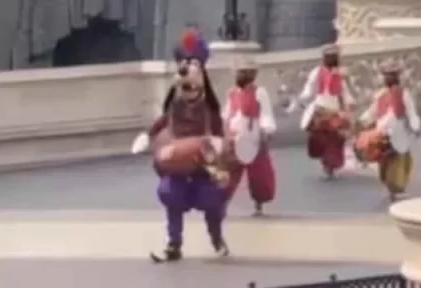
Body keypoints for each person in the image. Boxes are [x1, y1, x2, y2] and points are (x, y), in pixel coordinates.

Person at [130, 29, 229, 261]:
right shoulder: (174, 105)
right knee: (171, 194)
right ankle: (174, 243)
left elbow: (220, 134)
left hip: (204, 167)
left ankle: (216, 238)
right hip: (178, 164)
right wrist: (148, 136)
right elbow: (162, 121)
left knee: (212, 201)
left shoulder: (209, 110)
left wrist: (221, 156)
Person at [359, 61, 421, 202]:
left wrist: (416, 126)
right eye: (387, 76)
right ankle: (390, 188)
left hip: (399, 134)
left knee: (399, 161)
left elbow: (411, 113)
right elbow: (372, 112)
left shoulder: (404, 94)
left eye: (392, 76)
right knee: (384, 162)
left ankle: (397, 188)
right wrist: (362, 121)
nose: (389, 79)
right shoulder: (380, 95)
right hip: (382, 132)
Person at [289, 44, 355, 179]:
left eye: (333, 57)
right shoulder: (316, 72)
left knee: (335, 140)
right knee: (321, 139)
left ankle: (331, 165)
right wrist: (302, 98)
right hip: (320, 109)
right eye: (328, 57)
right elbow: (309, 89)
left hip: (335, 110)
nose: (331, 59)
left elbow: (344, 91)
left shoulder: (341, 74)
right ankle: (326, 163)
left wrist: (349, 104)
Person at [222, 57, 277, 216]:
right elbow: (227, 114)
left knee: (259, 174)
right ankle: (222, 203)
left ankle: (259, 203)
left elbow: (266, 113)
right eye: (237, 73)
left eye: (242, 73)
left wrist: (266, 130)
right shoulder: (232, 93)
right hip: (235, 135)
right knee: (229, 172)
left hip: (254, 136)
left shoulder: (260, 92)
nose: (238, 76)